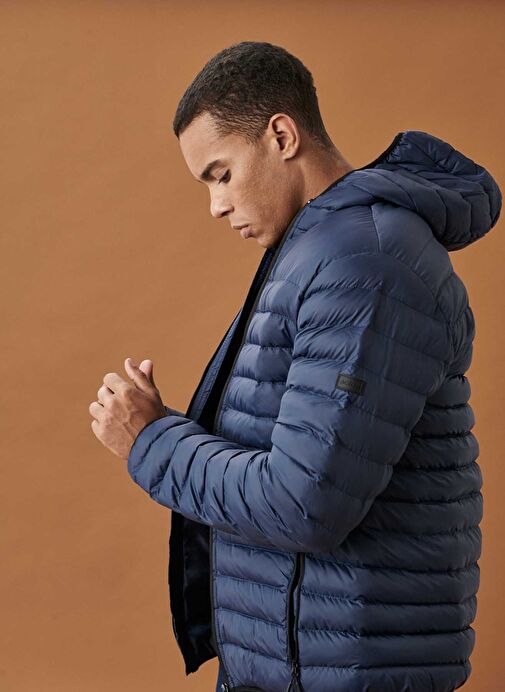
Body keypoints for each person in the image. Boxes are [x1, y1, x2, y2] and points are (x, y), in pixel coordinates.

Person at [93, 41, 501, 691]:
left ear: (281, 135)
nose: (215, 205)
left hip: (347, 674)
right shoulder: (318, 253)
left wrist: (151, 442)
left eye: (221, 174)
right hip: (306, 663)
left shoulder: (363, 264)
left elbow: (305, 504)